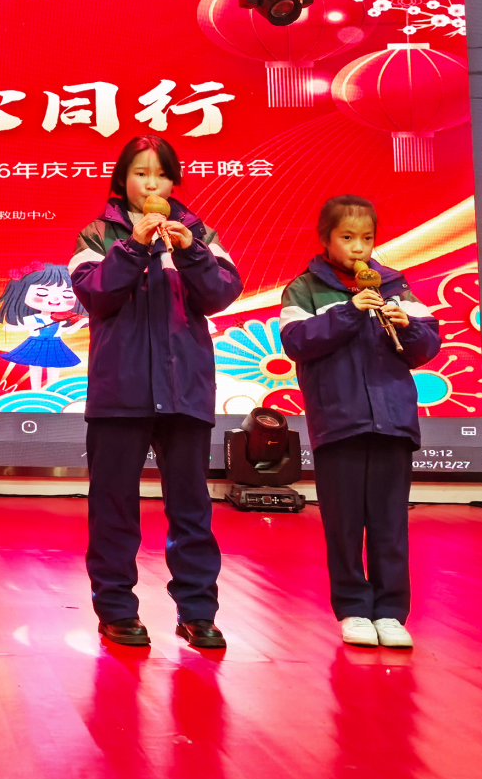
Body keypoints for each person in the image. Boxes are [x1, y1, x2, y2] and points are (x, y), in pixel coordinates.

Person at [72, 135, 243, 650]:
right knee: (114, 507)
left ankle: (198, 612)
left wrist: (190, 252)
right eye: (141, 173)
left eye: (161, 175)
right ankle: (116, 610)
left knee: (191, 510)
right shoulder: (100, 233)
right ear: (122, 179)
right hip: (119, 392)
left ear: (173, 182)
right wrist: (134, 246)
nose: (151, 185)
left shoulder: (198, 233)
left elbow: (222, 293)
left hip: (184, 390)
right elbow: (94, 294)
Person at [279, 195, 440, 648]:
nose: (358, 248)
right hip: (338, 422)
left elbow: (428, 347)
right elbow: (297, 342)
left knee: (390, 524)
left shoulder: (396, 285)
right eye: (347, 237)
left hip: (393, 422)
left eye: (366, 238)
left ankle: (391, 612)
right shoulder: (304, 288)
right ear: (326, 239)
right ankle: (353, 608)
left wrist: (406, 324)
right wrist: (351, 311)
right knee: (344, 524)